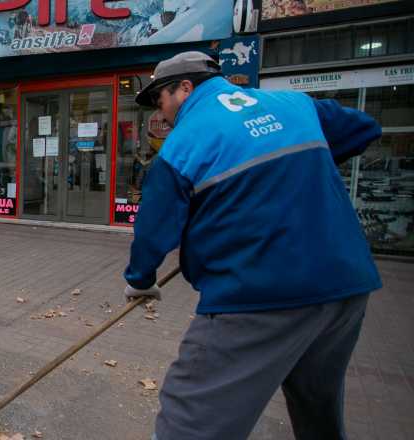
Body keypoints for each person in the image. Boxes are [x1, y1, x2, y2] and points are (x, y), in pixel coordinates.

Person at [124, 51, 382, 440]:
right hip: (346, 287)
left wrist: (141, 280)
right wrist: (293, 175)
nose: (161, 113)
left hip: (259, 295)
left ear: (185, 87)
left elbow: (152, 231)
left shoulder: (184, 142)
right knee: (317, 407)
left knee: (190, 418)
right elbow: (363, 129)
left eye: (160, 99)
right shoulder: (293, 104)